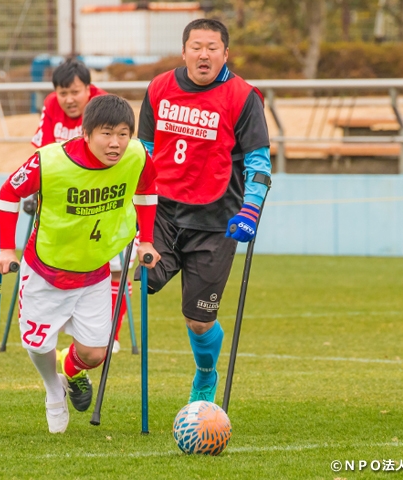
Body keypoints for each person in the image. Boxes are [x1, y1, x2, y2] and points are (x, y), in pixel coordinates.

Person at [0, 94, 160, 433]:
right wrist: (6, 249)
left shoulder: (137, 156)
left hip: (95, 270)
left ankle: (71, 372)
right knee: (38, 345)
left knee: (96, 353)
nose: (116, 143)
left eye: (124, 133)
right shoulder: (49, 161)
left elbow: (147, 189)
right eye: (107, 133)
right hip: (46, 271)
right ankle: (53, 388)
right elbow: (9, 194)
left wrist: (146, 240)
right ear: (85, 133)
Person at [135, 18, 272, 404]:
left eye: (213, 47)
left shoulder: (243, 97)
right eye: (196, 46)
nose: (204, 54)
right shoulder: (160, 87)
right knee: (142, 281)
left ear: (225, 54)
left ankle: (205, 374)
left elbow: (260, 165)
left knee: (199, 320)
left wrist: (250, 212)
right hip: (161, 211)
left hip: (216, 222)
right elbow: (143, 151)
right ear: (184, 51)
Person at [29, 58, 133, 354]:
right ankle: (61, 326)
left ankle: (111, 330)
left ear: (89, 89)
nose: (69, 99)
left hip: (104, 203)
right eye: (63, 93)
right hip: (64, 206)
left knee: (115, 266)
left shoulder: (105, 108)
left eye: (75, 92)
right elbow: (43, 151)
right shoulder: (51, 105)